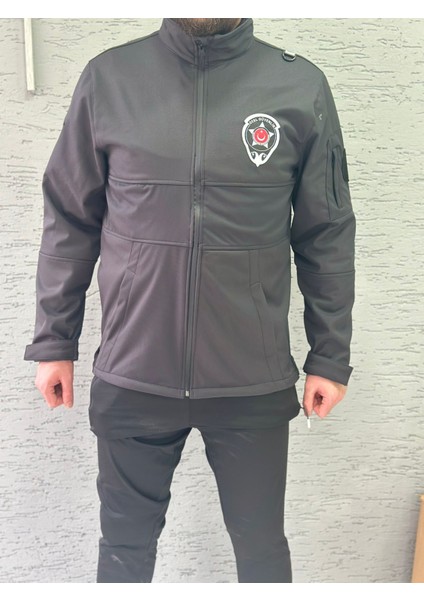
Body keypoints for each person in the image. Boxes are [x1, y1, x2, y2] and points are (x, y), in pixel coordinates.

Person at [23, 18, 356, 583]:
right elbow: (70, 218)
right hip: (134, 373)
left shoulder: (299, 87)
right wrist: (55, 341)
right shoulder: (110, 79)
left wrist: (329, 355)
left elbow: (326, 232)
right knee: (124, 553)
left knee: (262, 552)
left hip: (250, 380)